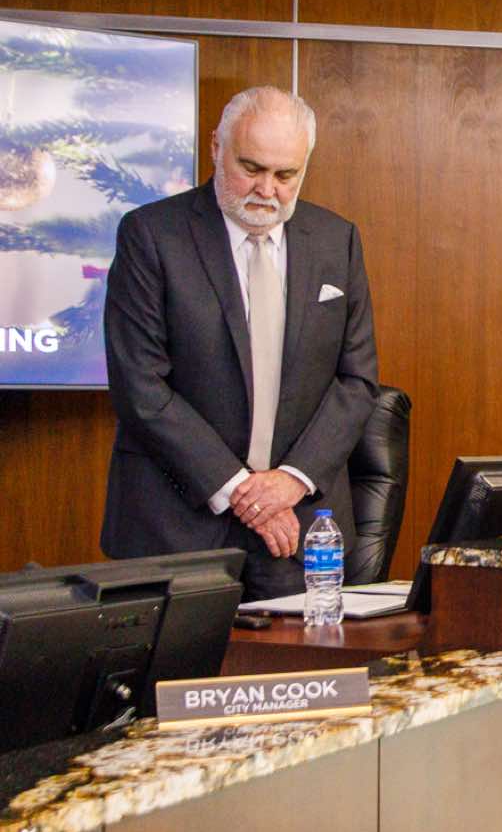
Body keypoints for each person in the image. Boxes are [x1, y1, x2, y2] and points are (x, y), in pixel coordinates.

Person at [101, 87, 379, 599]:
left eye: (286, 174)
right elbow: (141, 386)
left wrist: (290, 480)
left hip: (297, 529)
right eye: (251, 168)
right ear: (216, 147)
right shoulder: (151, 235)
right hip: (175, 528)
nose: (267, 189)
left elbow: (356, 380)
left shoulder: (336, 240)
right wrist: (243, 492)